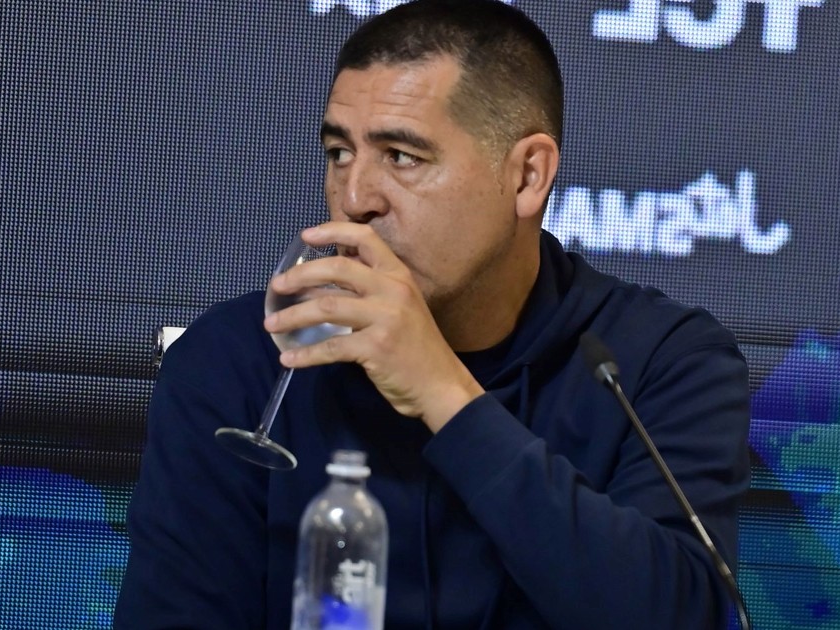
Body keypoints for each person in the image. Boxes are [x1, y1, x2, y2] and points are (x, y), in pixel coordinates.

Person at [115, 1, 750, 628]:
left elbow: (684, 617)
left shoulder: (659, 362)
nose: (354, 198)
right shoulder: (239, 360)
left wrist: (445, 395)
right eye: (339, 152)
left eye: (401, 156)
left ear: (527, 177)